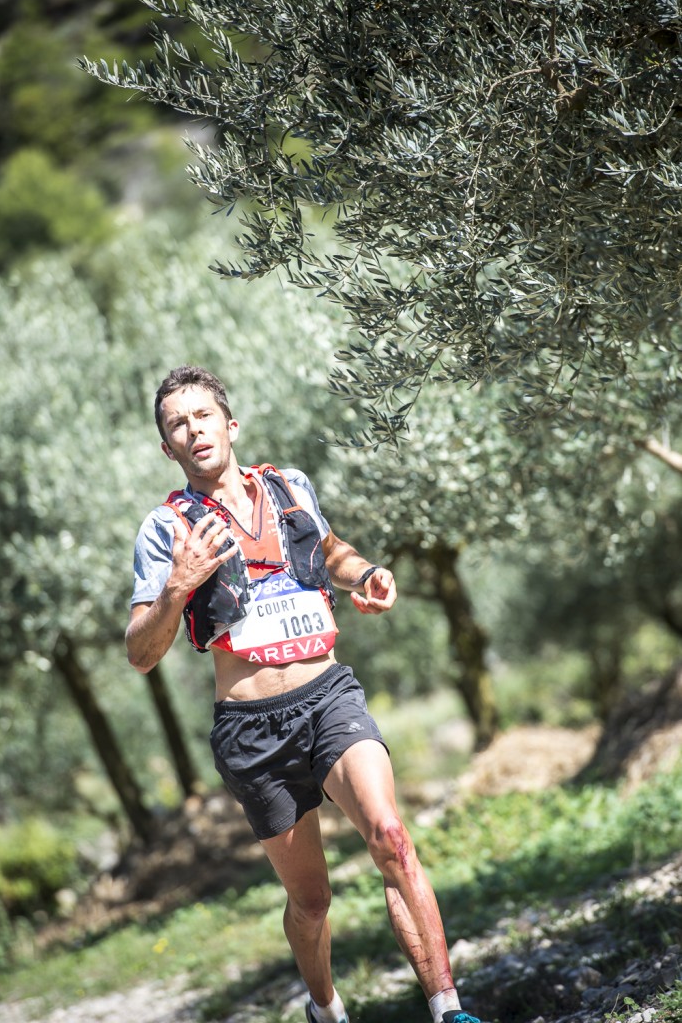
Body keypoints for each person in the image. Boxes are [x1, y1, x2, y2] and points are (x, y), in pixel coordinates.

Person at [127, 365, 480, 1023]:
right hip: (250, 729)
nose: (192, 428)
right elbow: (139, 654)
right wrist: (178, 587)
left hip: (327, 696)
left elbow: (325, 548)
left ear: (229, 425)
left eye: (202, 415)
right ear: (166, 447)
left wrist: (363, 573)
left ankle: (446, 1007)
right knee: (311, 901)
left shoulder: (288, 485)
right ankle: (325, 1008)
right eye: (177, 423)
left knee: (391, 838)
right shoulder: (166, 530)